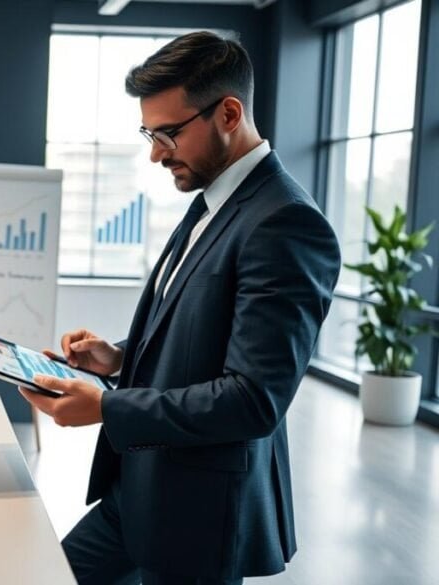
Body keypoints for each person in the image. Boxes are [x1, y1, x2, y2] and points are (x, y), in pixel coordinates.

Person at [20, 31, 341, 585]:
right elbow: (199, 329)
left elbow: (253, 399)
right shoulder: (213, 202)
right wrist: (117, 358)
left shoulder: (286, 223)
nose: (154, 153)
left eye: (167, 134)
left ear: (229, 113)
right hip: (142, 490)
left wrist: (106, 408)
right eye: (150, 133)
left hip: (200, 514)